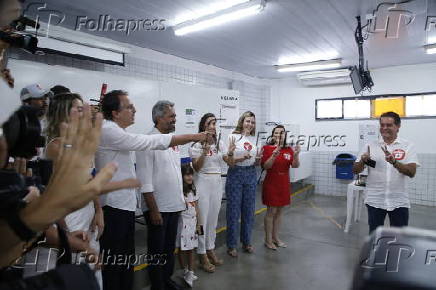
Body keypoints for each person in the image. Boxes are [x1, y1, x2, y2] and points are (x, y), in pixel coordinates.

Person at [96, 93, 208, 290]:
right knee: (122, 260)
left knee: (137, 257)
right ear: (114, 113)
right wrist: (194, 137)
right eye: (129, 107)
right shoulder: (111, 131)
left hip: (133, 205)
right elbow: (146, 175)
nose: (134, 110)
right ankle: (158, 284)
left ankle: (165, 281)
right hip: (118, 207)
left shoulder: (120, 134)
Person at [136, 100, 204, 290]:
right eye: (171, 116)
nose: (175, 119)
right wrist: (153, 210)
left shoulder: (172, 142)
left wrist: (182, 200)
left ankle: (166, 280)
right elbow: (145, 181)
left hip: (174, 205)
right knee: (157, 251)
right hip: (158, 208)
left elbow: (175, 174)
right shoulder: (148, 141)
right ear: (158, 118)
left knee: (168, 249)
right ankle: (157, 285)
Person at [44, 93, 103, 287]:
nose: (83, 111)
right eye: (77, 108)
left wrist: (98, 209)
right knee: (76, 273)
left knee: (93, 273)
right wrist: (65, 232)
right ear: (63, 113)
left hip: (88, 213)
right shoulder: (56, 145)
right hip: (70, 217)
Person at [353, 111, 420, 234]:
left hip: (399, 201)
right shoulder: (370, 146)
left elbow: (411, 172)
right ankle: (376, 253)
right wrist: (362, 160)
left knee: (399, 237)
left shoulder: (407, 146)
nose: (384, 128)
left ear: (398, 127)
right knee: (375, 236)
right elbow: (355, 170)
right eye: (382, 125)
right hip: (375, 200)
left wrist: (395, 162)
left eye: (389, 125)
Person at [189, 113, 226, 272]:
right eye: (210, 123)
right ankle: (201, 253)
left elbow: (228, 160)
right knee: (202, 220)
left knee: (213, 219)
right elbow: (196, 168)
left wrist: (231, 153)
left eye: (214, 123)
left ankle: (210, 247)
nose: (213, 126)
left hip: (217, 183)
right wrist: (204, 151)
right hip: (202, 182)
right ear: (203, 125)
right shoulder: (195, 145)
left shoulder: (219, 143)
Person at [225, 111, 262, 257]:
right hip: (236, 173)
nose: (250, 124)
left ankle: (246, 241)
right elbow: (230, 160)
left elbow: (257, 162)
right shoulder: (232, 137)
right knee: (233, 211)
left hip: (251, 173)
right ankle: (231, 245)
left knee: (249, 210)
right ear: (242, 121)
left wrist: (258, 159)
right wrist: (241, 158)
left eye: (252, 122)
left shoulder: (256, 139)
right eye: (248, 121)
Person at [261, 125, 300, 250]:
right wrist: (273, 155)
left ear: (285, 135)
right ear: (272, 135)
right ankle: (268, 240)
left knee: (280, 212)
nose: (278, 135)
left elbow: (295, 165)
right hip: (271, 183)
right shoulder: (267, 148)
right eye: (276, 133)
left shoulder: (288, 149)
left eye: (281, 133)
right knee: (271, 211)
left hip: (284, 183)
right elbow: (265, 166)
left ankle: (275, 238)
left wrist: (296, 154)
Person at [176, 164, 201, 288]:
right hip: (182, 224)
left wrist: (199, 224)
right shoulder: (179, 192)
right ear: (181, 176)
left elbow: (197, 207)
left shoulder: (193, 190)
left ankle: (191, 272)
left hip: (193, 223)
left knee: (192, 248)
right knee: (182, 248)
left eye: (191, 174)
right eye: (186, 174)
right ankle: (185, 270)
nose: (190, 177)